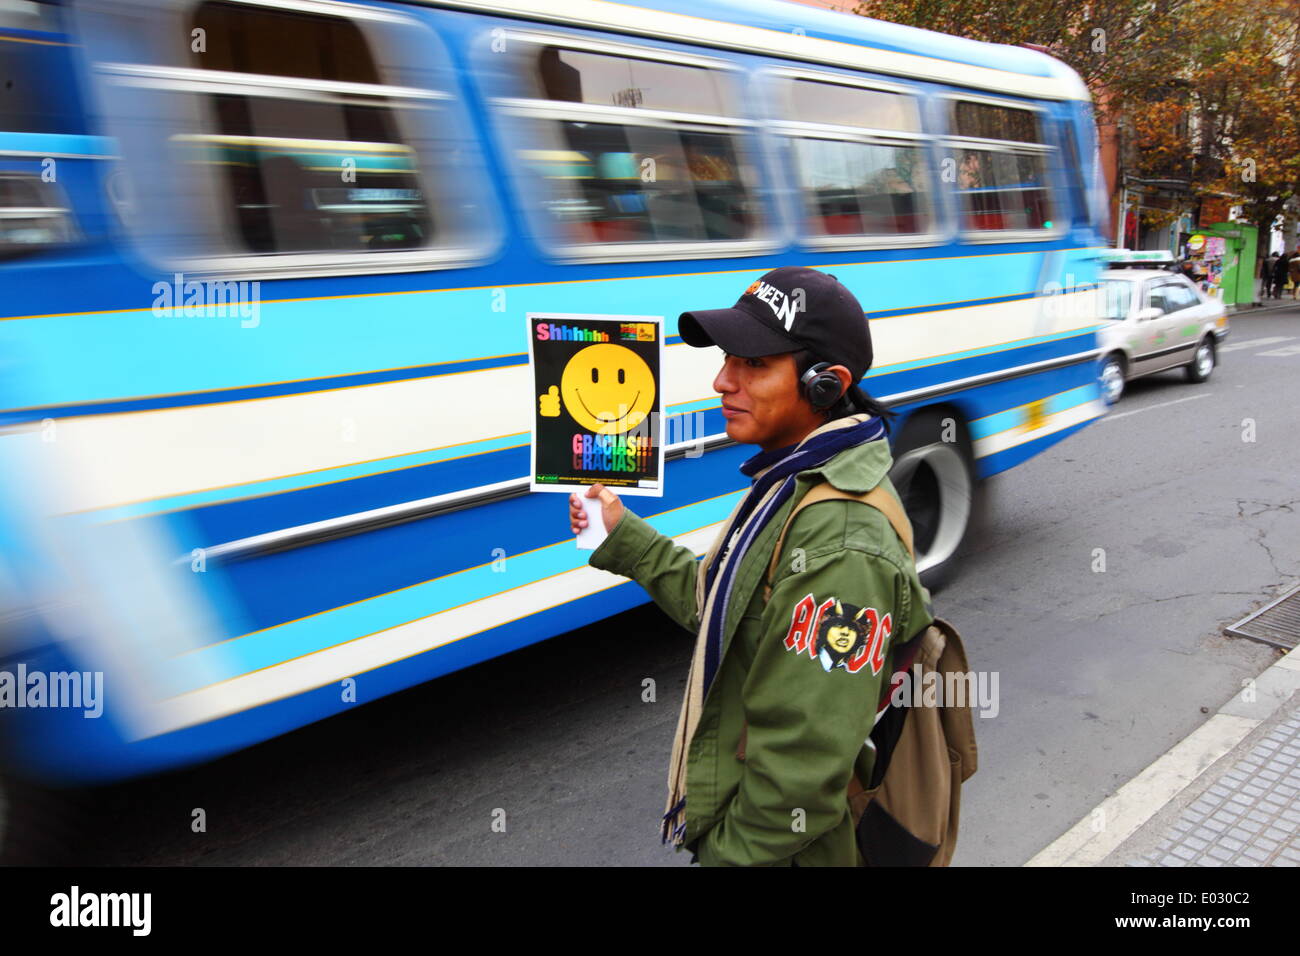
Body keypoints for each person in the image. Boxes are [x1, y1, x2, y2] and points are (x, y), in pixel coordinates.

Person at [566, 266, 933, 866]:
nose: (721, 381)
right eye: (727, 359)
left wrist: (725, 859)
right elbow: (727, 611)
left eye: (753, 365)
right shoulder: (792, 481)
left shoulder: (841, 543)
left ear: (824, 385)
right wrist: (623, 535)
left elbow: (800, 773)